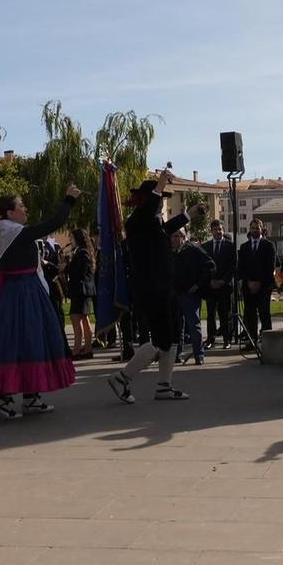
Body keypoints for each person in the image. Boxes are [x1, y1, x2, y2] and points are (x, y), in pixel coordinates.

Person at [0, 188, 81, 417]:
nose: (25, 210)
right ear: (10, 213)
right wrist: (68, 200)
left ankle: (30, 395)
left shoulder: (8, 230)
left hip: (22, 290)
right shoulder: (9, 230)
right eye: (21, 207)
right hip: (19, 292)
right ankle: (4, 397)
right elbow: (51, 224)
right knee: (16, 341)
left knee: (29, 341)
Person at [109, 173, 193, 404]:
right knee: (161, 339)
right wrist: (160, 184)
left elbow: (165, 229)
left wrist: (188, 215)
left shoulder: (151, 222)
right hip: (152, 288)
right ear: (149, 199)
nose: (163, 202)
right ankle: (122, 377)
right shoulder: (137, 220)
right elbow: (151, 217)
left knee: (172, 336)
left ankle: (164, 386)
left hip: (164, 287)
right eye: (160, 197)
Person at [172, 225, 214, 365]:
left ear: (183, 237)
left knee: (193, 326)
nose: (173, 239)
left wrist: (198, 284)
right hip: (175, 294)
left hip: (190, 295)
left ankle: (199, 355)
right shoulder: (171, 252)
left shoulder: (193, 249)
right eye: (172, 236)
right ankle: (177, 354)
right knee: (176, 327)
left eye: (176, 236)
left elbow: (211, 266)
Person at [237, 218, 277, 342]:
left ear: (261, 229)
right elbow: (241, 268)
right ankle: (252, 340)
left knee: (264, 314)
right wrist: (249, 282)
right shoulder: (244, 247)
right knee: (250, 316)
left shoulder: (269, 245)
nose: (255, 230)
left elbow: (270, 266)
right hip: (248, 287)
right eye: (252, 228)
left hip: (264, 286)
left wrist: (259, 282)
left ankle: (268, 342)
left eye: (257, 228)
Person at [202, 219, 238, 348]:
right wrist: (210, 281)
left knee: (224, 314)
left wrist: (223, 281)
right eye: (215, 229)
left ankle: (226, 340)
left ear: (223, 230)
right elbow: (203, 267)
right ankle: (210, 339)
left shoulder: (229, 246)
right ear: (211, 231)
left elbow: (233, 266)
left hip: (224, 286)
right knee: (211, 314)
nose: (218, 231)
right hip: (211, 287)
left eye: (220, 229)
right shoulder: (205, 247)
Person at [64, 227, 97, 359]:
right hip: (82, 291)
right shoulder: (82, 252)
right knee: (83, 319)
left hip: (81, 291)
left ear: (78, 239)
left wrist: (66, 267)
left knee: (76, 319)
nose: (70, 240)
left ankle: (77, 350)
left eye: (71, 238)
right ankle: (87, 349)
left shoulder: (82, 253)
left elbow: (80, 272)